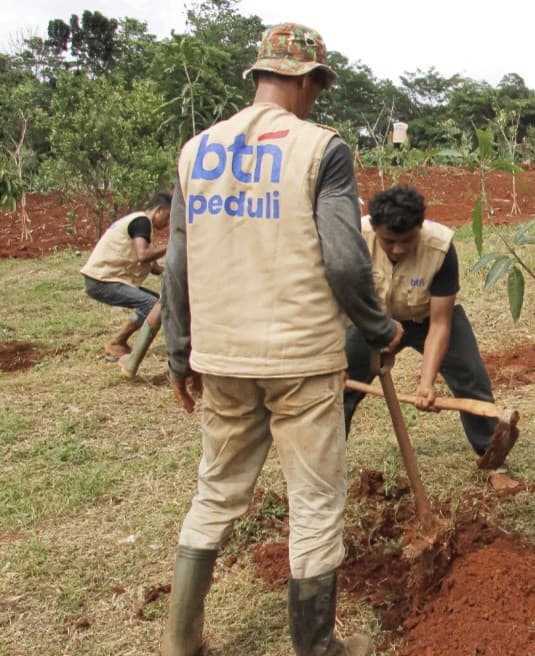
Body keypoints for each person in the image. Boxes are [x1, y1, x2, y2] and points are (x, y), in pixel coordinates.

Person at [159, 23, 403, 656]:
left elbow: (177, 262)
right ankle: (317, 648)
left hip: (223, 356)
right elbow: (347, 264)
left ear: (261, 75)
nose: (317, 98)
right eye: (318, 86)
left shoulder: (197, 151)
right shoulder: (322, 150)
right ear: (309, 81)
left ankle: (180, 643)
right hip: (299, 358)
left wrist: (179, 351)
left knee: (217, 490)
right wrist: (380, 329)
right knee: (316, 501)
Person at [343, 185, 515, 470]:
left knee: (472, 382)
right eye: (389, 241)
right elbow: (338, 299)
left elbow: (440, 323)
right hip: (373, 320)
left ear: (419, 228)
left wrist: (426, 384)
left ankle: (492, 462)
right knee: (342, 388)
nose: (398, 249)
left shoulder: (440, 248)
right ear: (375, 229)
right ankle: (328, 465)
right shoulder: (355, 238)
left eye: (407, 240)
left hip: (428, 317)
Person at [80, 193, 171, 360]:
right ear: (159, 210)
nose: (167, 223)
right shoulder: (142, 222)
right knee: (151, 305)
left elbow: (153, 267)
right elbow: (143, 255)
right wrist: (172, 244)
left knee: (159, 303)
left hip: (105, 278)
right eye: (168, 216)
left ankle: (120, 343)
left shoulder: (141, 225)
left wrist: (172, 272)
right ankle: (117, 343)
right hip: (102, 279)